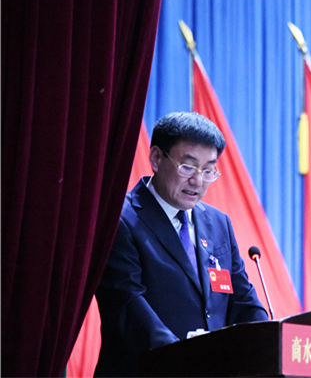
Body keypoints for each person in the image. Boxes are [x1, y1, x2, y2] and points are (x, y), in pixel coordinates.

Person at [94, 112, 268, 377]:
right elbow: (127, 304)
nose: (198, 181)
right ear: (156, 158)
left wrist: (268, 343)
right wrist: (188, 359)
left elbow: (242, 301)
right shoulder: (120, 219)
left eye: (208, 170)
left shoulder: (218, 223)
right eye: (188, 167)